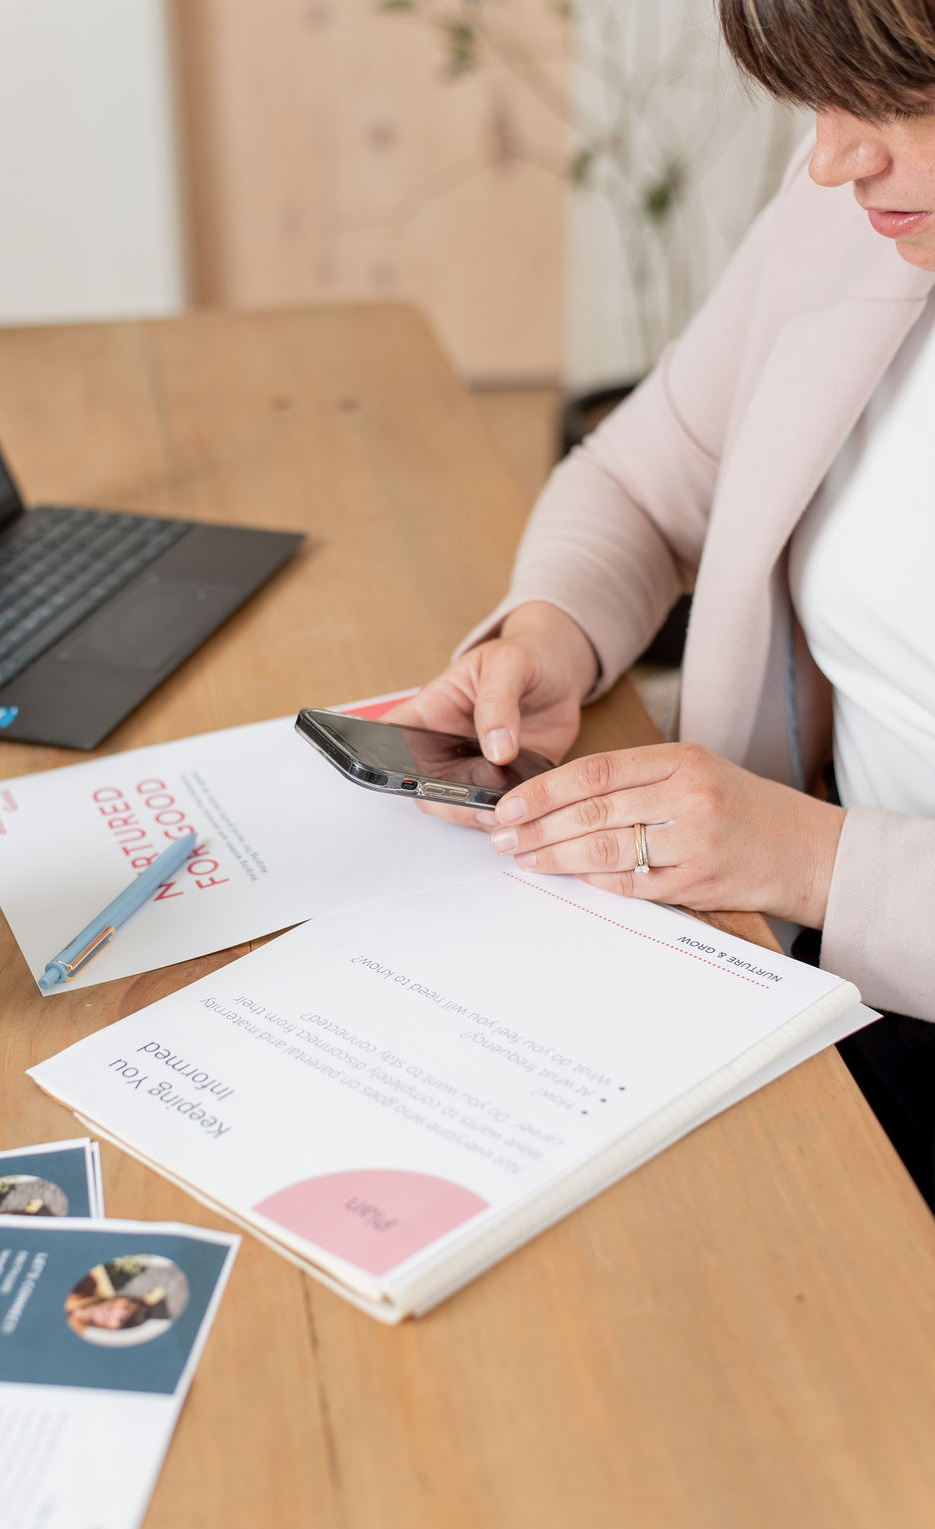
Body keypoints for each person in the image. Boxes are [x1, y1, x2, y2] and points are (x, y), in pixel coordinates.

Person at [386, 0, 935, 1204]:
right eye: (820, 94)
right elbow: (639, 475)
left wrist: (812, 859)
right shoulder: (862, 220)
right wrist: (551, 631)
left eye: (902, 95)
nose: (833, 156)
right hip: (811, 950)